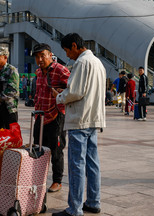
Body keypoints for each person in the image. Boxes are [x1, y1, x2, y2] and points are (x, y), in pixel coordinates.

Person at [52, 33, 106, 216]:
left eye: (67, 50)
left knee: (77, 165)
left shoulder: (82, 63)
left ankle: (74, 209)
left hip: (79, 120)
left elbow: (75, 92)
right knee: (92, 163)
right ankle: (93, 201)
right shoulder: (98, 62)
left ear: (75, 46)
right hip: (93, 118)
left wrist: (59, 96)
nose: (67, 55)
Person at [32, 43, 70, 192]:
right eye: (37, 56)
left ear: (50, 55)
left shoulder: (60, 70)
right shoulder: (39, 72)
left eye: (43, 55)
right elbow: (38, 92)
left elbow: (73, 88)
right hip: (40, 117)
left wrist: (61, 92)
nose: (40, 59)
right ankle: (38, 178)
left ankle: (57, 181)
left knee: (56, 150)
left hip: (56, 116)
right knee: (37, 148)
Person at [0, 46, 19, 129]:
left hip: (8, 110)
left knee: (9, 138)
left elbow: (13, 90)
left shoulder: (11, 70)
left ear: (5, 57)